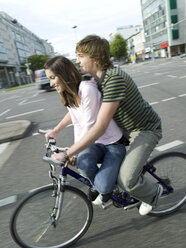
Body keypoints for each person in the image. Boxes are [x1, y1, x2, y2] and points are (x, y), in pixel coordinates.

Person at [49, 35, 163, 215]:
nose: (77, 60)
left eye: (80, 56)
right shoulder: (96, 80)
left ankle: (154, 193)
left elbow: (99, 126)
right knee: (93, 166)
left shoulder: (114, 80)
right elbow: (78, 110)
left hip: (145, 129)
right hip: (126, 131)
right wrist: (56, 130)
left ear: (94, 57)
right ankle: (119, 180)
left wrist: (69, 152)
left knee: (126, 181)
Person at [44, 56, 126, 205]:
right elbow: (75, 116)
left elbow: (88, 127)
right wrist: (56, 130)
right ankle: (108, 187)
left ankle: (109, 187)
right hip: (95, 143)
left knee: (102, 186)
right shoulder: (70, 92)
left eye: (52, 77)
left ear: (63, 74)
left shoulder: (87, 89)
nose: (51, 83)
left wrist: (71, 153)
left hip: (113, 143)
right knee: (83, 165)